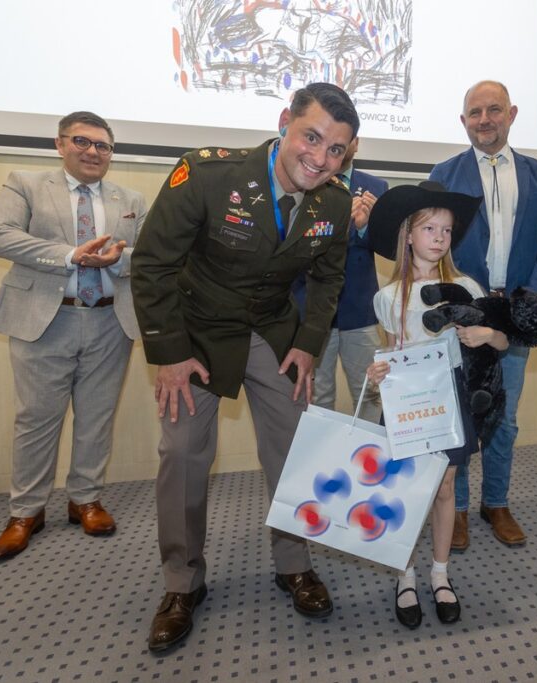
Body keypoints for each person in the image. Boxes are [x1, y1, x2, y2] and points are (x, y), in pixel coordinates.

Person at [131, 83, 358, 653]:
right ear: (285, 122)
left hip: (272, 332)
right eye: (312, 137)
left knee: (296, 444)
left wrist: (308, 343)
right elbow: (154, 264)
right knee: (183, 452)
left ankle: (294, 564)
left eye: (337, 150)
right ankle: (183, 583)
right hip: (198, 332)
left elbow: (329, 279)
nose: (321, 158)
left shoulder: (333, 201)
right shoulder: (209, 175)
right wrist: (169, 353)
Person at [0, 111, 147, 562]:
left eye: (103, 146)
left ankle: (85, 501)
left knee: (96, 416)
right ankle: (26, 512)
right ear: (60, 144)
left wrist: (116, 259)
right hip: (45, 320)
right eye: (82, 141)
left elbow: (150, 255)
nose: (93, 152)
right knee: (36, 419)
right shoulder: (27, 183)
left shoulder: (130, 197)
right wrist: (71, 254)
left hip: (110, 320)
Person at [429, 80, 537, 551]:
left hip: (514, 318)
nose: (484, 119)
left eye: (493, 110)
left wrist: (529, 306)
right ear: (463, 120)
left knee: (504, 421)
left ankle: (497, 503)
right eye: (474, 113)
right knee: (464, 418)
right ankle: (459, 509)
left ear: (512, 114)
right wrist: (459, 306)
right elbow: (433, 249)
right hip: (463, 320)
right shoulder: (443, 174)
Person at [364, 181, 505, 628]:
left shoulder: (464, 286)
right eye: (429, 228)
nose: (440, 237)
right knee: (404, 490)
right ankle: (404, 575)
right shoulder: (388, 298)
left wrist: (487, 335)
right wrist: (375, 374)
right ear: (408, 234)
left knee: (445, 488)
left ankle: (440, 573)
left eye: (446, 229)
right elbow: (386, 352)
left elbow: (501, 339)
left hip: (449, 399)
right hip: (405, 404)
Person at [292, 137, 387, 422]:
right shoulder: (305, 180)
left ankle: (370, 462)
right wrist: (344, 226)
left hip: (360, 309)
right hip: (312, 310)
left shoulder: (377, 187)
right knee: (316, 396)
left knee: (372, 392)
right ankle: (321, 460)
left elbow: (386, 245)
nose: (340, 147)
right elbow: (298, 244)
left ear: (356, 143)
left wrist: (365, 226)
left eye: (346, 141)